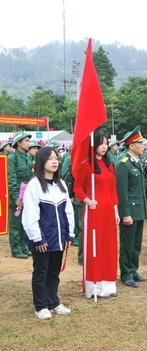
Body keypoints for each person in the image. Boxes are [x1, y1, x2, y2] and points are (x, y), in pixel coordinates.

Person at [22, 146, 74, 320]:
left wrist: (69, 234)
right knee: (41, 272)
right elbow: (30, 215)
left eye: (55, 158)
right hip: (42, 240)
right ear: (41, 162)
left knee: (54, 272)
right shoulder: (34, 185)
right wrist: (38, 238)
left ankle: (53, 302)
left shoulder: (62, 185)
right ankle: (41, 306)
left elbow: (68, 212)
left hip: (58, 239)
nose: (54, 161)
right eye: (49, 158)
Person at [73, 131, 120, 299]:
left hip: (108, 211)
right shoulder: (86, 165)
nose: (104, 146)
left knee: (109, 246)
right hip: (94, 211)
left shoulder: (109, 165)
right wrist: (87, 200)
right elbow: (77, 187)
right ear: (93, 146)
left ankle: (109, 283)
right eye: (101, 143)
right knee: (96, 246)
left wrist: (116, 210)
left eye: (106, 143)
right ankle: (94, 285)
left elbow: (113, 190)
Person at [115, 126, 147, 287]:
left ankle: (133, 270)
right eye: (140, 143)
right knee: (127, 244)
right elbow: (122, 192)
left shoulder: (136, 162)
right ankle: (126, 273)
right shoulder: (123, 164)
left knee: (136, 243)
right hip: (130, 211)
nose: (143, 146)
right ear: (131, 146)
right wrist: (125, 214)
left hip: (139, 209)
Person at [8, 131, 33, 259]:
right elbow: (11, 180)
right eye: (26, 141)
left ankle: (24, 247)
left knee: (24, 224)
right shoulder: (12, 158)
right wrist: (15, 197)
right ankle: (16, 249)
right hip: (17, 198)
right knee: (15, 225)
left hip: (27, 196)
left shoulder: (28, 157)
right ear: (19, 143)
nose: (29, 143)